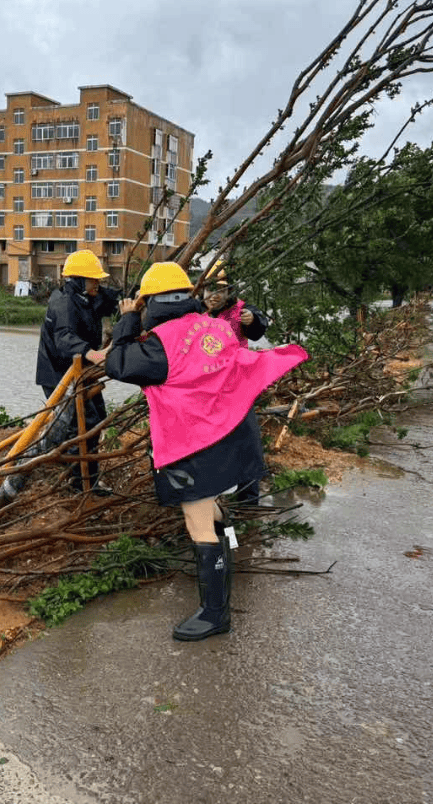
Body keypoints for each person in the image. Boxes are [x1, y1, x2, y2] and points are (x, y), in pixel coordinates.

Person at [104, 261, 310, 641]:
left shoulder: (159, 346)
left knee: (197, 524)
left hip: (195, 444)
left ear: (150, 302)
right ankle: (229, 550)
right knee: (214, 511)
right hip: (234, 434)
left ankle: (215, 614)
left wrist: (127, 319)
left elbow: (117, 363)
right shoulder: (217, 326)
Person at [35, 249, 120, 491]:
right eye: (94, 280)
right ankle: (79, 482)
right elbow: (64, 339)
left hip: (82, 372)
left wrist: (136, 300)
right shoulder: (63, 303)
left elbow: (111, 299)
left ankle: (84, 476)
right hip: (58, 375)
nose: (98, 284)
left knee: (97, 419)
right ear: (80, 280)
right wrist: (94, 354)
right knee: (81, 425)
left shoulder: (88, 297)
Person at [202, 260, 271, 506]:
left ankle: (248, 502)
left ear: (229, 291)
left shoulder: (241, 311)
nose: (214, 295)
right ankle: (211, 498)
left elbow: (258, 328)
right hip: (207, 390)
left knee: (246, 442)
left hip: (237, 388)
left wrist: (253, 320)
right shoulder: (196, 313)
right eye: (210, 290)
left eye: (220, 290)